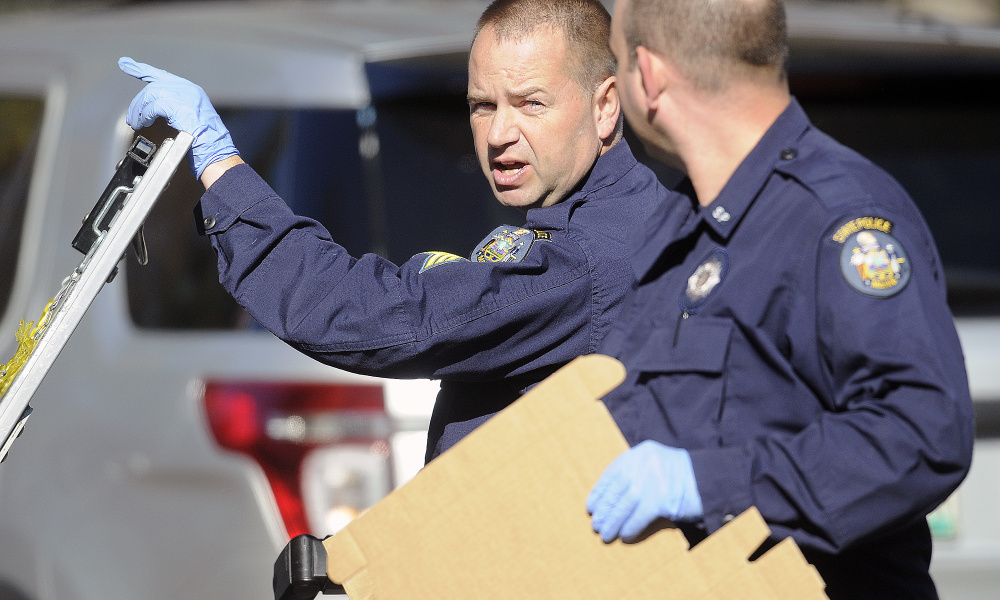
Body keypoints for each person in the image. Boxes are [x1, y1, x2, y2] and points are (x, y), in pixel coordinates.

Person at [118, 0, 675, 462]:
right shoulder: (620, 217)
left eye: (531, 103)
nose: (499, 133)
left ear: (606, 106)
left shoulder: (588, 257)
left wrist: (221, 168)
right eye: (482, 105)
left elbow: (383, 316)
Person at [585, 0, 974, 598]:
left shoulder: (834, 217)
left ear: (651, 76)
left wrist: (705, 485)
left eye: (616, 61)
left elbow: (923, 430)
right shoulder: (687, 222)